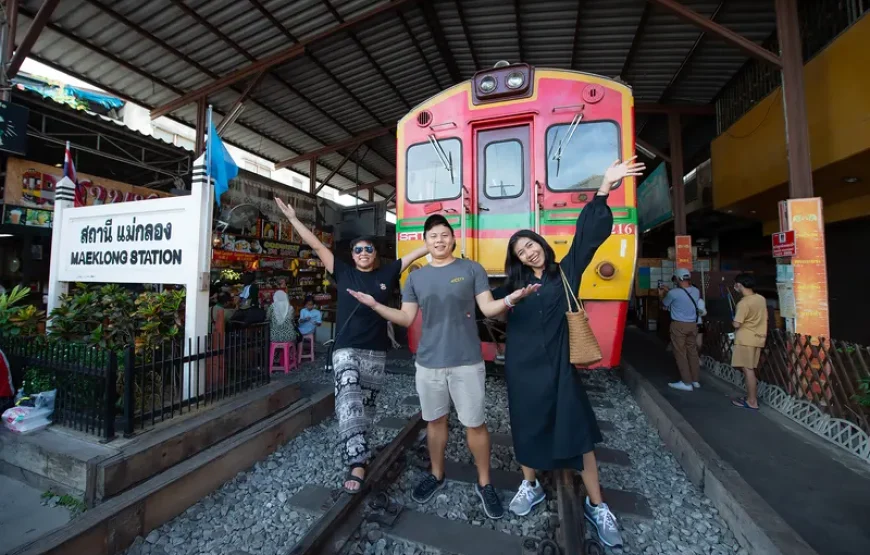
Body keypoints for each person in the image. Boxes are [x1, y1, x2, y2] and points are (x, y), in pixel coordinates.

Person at [346, 215, 540, 520]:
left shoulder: (470, 269)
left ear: (453, 239)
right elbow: (407, 318)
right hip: (429, 363)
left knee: (475, 423)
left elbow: (488, 308)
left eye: (444, 235)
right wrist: (374, 305)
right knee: (435, 422)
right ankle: (436, 474)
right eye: (433, 236)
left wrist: (510, 300)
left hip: (467, 361)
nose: (439, 240)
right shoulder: (416, 278)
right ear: (426, 242)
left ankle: (484, 482)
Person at [492, 157, 643, 547]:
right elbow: (480, 305)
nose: (528, 253)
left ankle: (598, 505)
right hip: (523, 371)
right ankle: (531, 486)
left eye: (531, 245)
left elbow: (588, 235)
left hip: (560, 368)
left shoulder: (566, 271)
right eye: (521, 251)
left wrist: (605, 187)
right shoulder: (510, 287)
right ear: (517, 259)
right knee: (525, 427)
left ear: (542, 246)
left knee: (578, 436)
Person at [275, 197, 428, 494]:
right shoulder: (343, 272)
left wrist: (441, 239)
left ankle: (362, 449)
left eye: (368, 249)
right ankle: (357, 461)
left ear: (375, 254)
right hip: (346, 348)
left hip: (376, 351)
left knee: (366, 407)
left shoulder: (388, 273)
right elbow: (317, 246)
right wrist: (293, 219)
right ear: (352, 254)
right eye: (357, 249)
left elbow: (417, 253)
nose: (362, 253)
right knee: (347, 397)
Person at [730, 273, 768, 410]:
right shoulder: (760, 299)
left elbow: (736, 324)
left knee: (748, 370)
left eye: (736, 284)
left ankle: (752, 401)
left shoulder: (743, 303)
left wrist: (733, 320)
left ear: (739, 285)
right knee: (751, 369)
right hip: (758, 338)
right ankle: (750, 398)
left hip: (745, 339)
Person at [661, 268, 703, 391]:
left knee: (680, 353)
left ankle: (686, 382)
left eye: (675, 279)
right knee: (693, 352)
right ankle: (695, 381)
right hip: (693, 325)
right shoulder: (696, 291)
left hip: (679, 325)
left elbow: (665, 304)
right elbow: (683, 298)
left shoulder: (673, 293)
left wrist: (662, 293)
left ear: (679, 279)